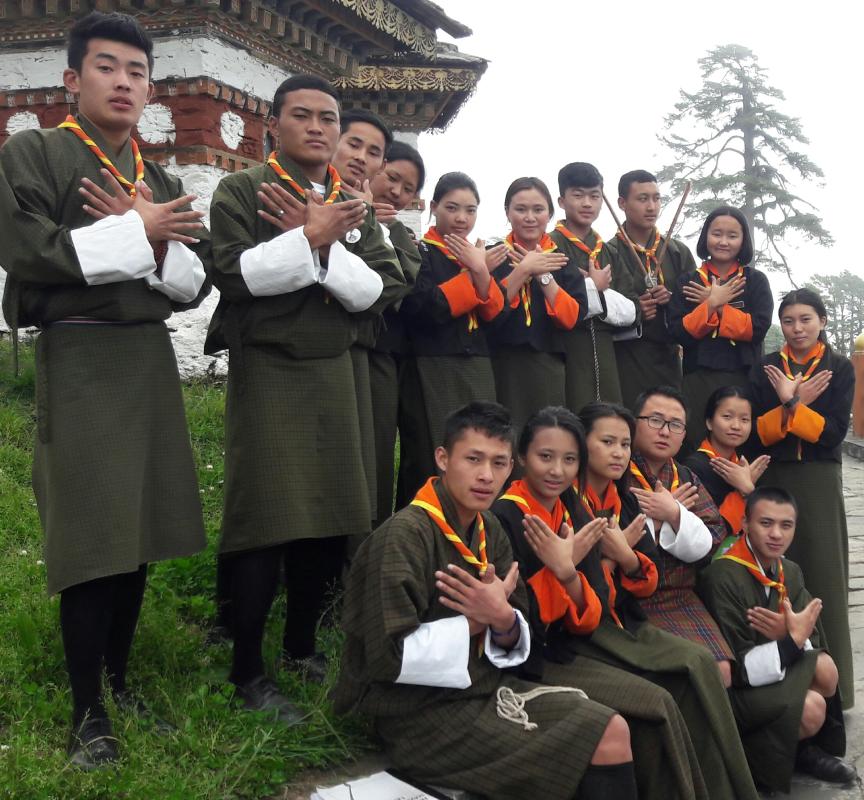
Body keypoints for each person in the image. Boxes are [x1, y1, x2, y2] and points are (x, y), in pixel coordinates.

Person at [0, 11, 210, 769]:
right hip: (83, 352)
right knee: (94, 532)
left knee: (142, 522)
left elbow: (193, 279)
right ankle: (87, 709)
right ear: (71, 79)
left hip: (146, 356)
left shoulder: (158, 176)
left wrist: (152, 230)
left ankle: (119, 679)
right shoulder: (36, 152)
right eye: (107, 67)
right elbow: (27, 248)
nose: (125, 83)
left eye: (137, 72)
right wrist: (140, 233)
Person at [206, 74, 406, 715]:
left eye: (327, 116)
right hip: (272, 367)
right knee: (269, 516)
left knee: (326, 512)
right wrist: (310, 238)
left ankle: (300, 646)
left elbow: (378, 289)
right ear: (274, 126)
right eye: (302, 116)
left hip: (338, 369)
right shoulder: (242, 190)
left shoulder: (352, 201)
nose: (317, 127)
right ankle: (246, 671)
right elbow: (235, 274)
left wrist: (321, 244)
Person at [333, 402, 640, 800]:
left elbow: (519, 626)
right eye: (473, 459)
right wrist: (478, 623)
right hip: (415, 718)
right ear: (443, 458)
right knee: (596, 739)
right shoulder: (404, 536)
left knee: (614, 727)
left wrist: (503, 621)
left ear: (511, 467)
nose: (486, 476)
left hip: (485, 694)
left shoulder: (488, 527)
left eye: (498, 463)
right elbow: (387, 656)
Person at [494, 405, 759, 800]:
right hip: (552, 648)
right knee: (660, 697)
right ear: (521, 459)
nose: (556, 470)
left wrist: (623, 558)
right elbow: (542, 615)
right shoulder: (513, 517)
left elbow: (643, 578)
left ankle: (730, 789)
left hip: (614, 619)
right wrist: (570, 573)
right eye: (544, 457)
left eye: (567, 460)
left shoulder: (597, 502)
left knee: (701, 665)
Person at [698, 487, 855, 791]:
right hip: (739, 690)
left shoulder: (790, 572)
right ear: (745, 523)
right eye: (765, 523)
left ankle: (798, 747)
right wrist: (789, 643)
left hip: (777, 667)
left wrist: (789, 635)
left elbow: (813, 637)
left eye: (786, 525)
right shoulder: (723, 577)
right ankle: (760, 753)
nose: (776, 535)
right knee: (811, 707)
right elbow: (737, 669)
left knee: (826, 669)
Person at [748, 288, 856, 708]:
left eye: (806, 319)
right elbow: (757, 432)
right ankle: (783, 682)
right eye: (789, 320)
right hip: (773, 475)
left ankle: (838, 687)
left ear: (822, 322)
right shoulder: (765, 368)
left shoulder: (840, 368)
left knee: (825, 571)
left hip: (819, 477)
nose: (797, 329)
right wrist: (796, 407)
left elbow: (832, 433)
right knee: (775, 571)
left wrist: (791, 404)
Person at [397, 172, 506, 502]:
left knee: (479, 450)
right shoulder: (422, 252)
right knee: (432, 454)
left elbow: (497, 318)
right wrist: (472, 273)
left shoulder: (481, 255)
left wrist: (482, 271)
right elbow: (425, 309)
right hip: (433, 364)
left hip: (478, 366)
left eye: (470, 210)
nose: (462, 218)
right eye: (452, 208)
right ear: (433, 207)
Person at [628, 386, 735, 683]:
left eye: (675, 425)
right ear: (634, 423)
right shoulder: (618, 473)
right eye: (655, 420)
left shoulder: (686, 478)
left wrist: (674, 513)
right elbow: (608, 530)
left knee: (721, 671)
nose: (665, 431)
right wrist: (665, 520)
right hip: (630, 598)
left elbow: (715, 535)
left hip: (680, 595)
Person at [668, 206, 773, 448]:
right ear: (706, 237)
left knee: (739, 445)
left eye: (732, 236)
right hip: (697, 376)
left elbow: (757, 329)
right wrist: (712, 302)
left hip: (743, 376)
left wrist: (718, 306)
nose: (723, 241)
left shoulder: (755, 281)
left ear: (743, 240)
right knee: (695, 443)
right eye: (717, 234)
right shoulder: (688, 281)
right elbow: (679, 332)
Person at [487, 177, 585, 433]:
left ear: (550, 214)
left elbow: (571, 317)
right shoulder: (493, 256)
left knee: (546, 434)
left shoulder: (562, 260)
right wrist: (524, 269)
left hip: (548, 362)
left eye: (538, 210)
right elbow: (489, 309)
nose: (529, 217)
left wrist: (543, 275)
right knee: (505, 435)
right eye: (520, 209)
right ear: (507, 212)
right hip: (502, 361)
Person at [365, 140, 424, 526]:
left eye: (409, 189)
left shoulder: (401, 235)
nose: (397, 193)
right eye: (392, 178)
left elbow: (400, 286)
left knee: (378, 452)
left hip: (384, 355)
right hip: (342, 349)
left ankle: (372, 538)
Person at [549, 162, 638, 410]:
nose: (587, 203)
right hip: (567, 349)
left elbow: (634, 309)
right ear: (561, 201)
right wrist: (591, 287)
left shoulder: (609, 251)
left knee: (607, 422)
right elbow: (552, 304)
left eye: (594, 196)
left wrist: (594, 291)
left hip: (606, 351)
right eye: (578, 195)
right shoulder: (549, 246)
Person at [607, 170, 696, 409]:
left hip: (669, 358)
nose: (652, 207)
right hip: (627, 358)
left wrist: (672, 300)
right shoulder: (608, 252)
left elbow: (696, 306)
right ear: (622, 203)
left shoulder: (678, 252)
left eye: (657, 199)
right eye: (642, 198)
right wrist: (635, 309)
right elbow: (604, 308)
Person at [684, 386, 770, 551]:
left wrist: (748, 488)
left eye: (744, 419)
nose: (736, 426)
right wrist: (744, 491)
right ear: (709, 422)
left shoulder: (745, 466)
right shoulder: (694, 466)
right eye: (727, 417)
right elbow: (709, 531)